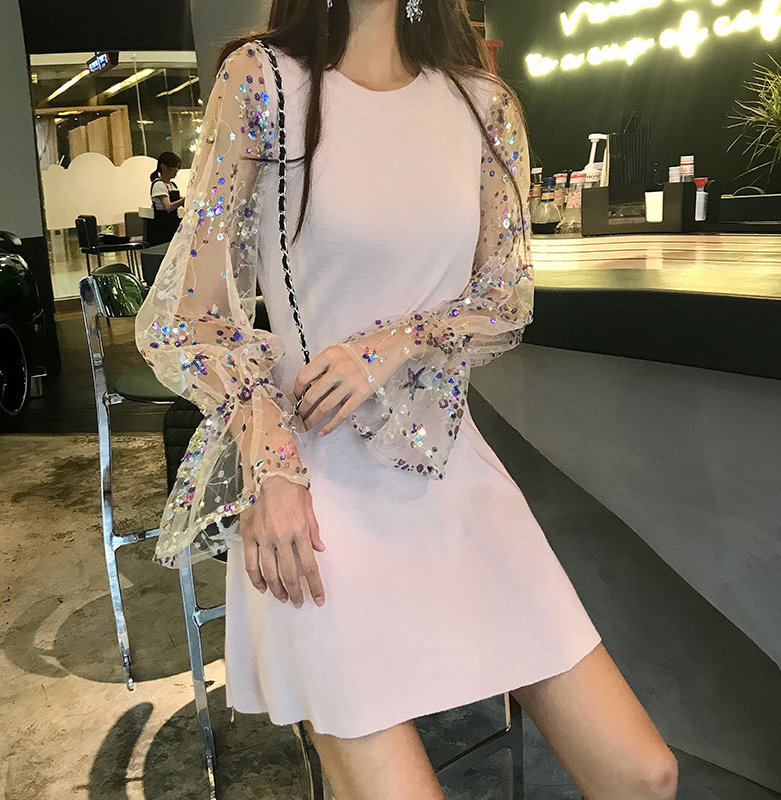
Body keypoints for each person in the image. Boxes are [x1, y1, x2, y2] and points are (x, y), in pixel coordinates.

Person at [135, 1, 679, 798]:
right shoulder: (264, 81)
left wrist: (397, 341)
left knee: (645, 774)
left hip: (450, 473)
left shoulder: (483, 104)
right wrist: (270, 465)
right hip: (313, 494)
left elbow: (504, 295)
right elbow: (191, 319)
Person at [146, 151, 185, 245]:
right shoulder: (159, 185)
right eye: (174, 166)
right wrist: (183, 200)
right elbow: (168, 207)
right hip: (162, 227)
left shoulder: (172, 185)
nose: (176, 170)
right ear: (163, 166)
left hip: (173, 223)